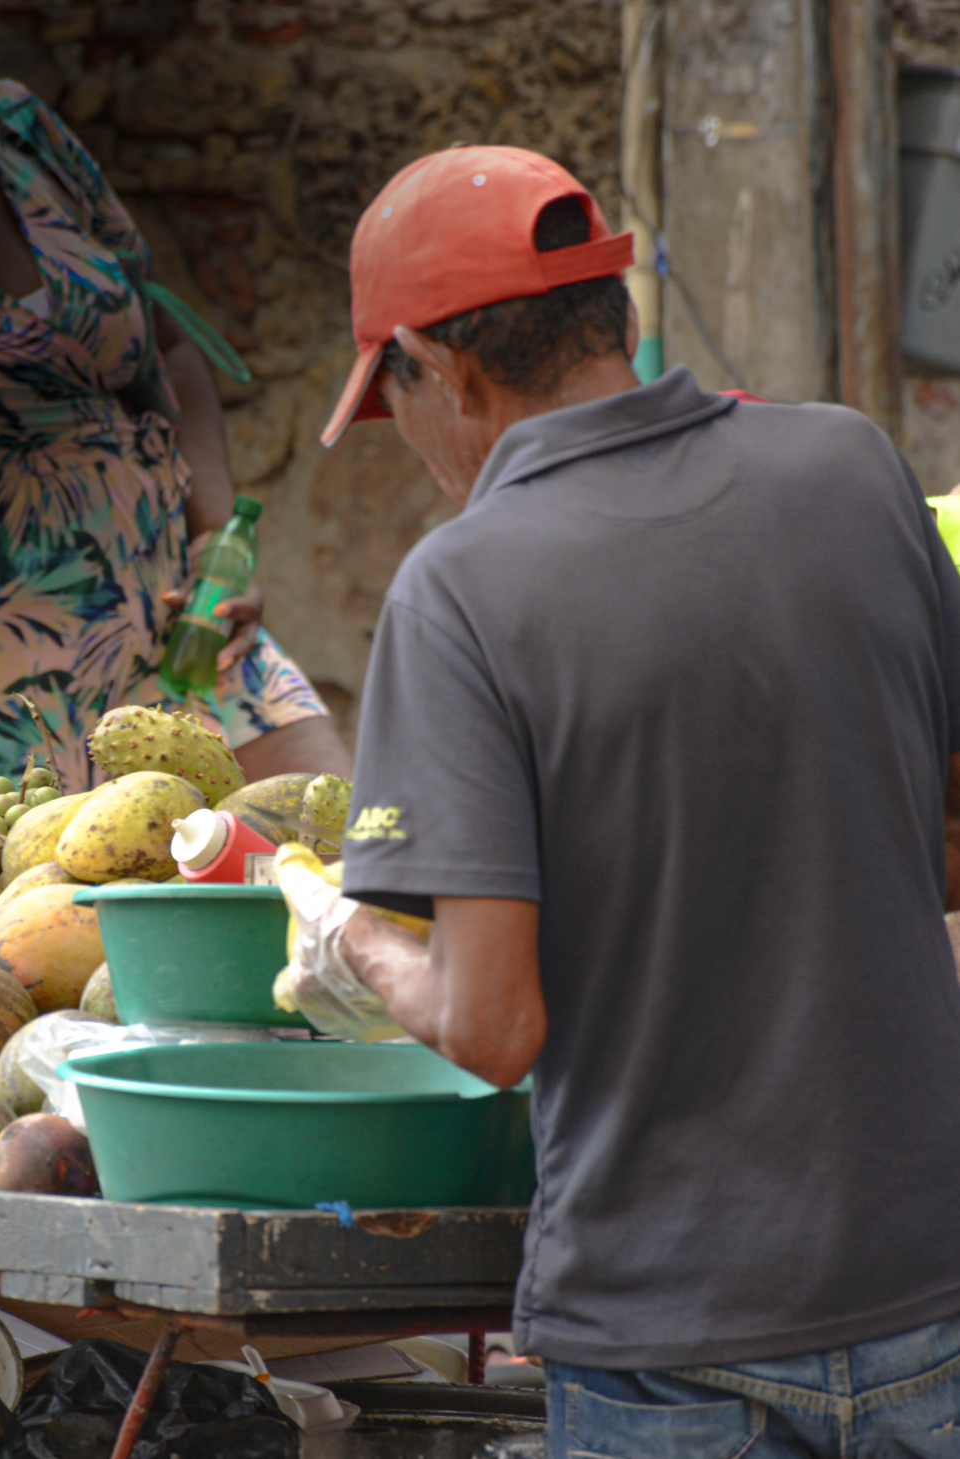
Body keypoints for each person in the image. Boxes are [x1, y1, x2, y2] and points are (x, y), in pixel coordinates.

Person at [281, 143, 960, 1456]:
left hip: (667, 1339)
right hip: (926, 1296)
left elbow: (491, 1024)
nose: (411, 445)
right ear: (617, 318)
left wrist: (357, 937)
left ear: (446, 367)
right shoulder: (854, 468)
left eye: (394, 401)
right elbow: (940, 838)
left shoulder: (460, 587)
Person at [0, 2, 352, 786]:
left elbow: (168, 346)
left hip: (176, 629)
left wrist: (217, 544)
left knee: (327, 841)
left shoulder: (14, 128)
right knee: (46, 906)